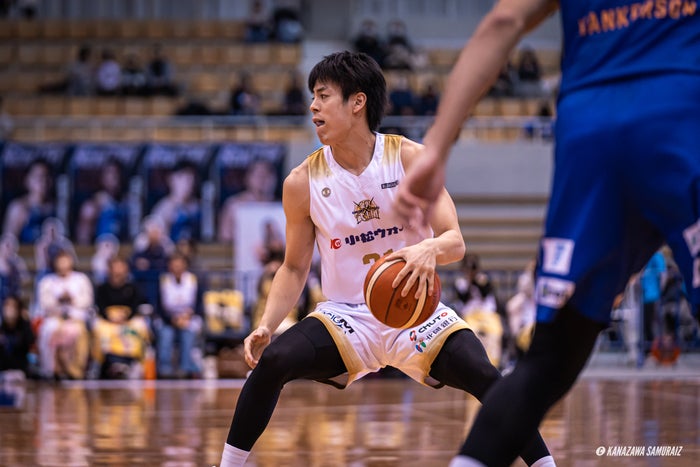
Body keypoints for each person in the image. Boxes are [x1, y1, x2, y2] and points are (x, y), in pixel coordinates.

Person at [393, 2, 700, 466]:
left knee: (548, 362)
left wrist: (436, 146)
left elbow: (503, 21)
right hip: (681, 108)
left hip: (591, 127)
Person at [218, 51, 553, 467]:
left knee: (485, 374)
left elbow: (455, 242)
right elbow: (294, 267)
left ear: (357, 102)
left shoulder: (411, 159)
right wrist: (267, 325)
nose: (313, 107)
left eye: (323, 96)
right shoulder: (301, 182)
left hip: (417, 314)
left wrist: (428, 248)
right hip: (347, 318)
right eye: (312, 97)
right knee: (273, 361)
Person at [35, 250, 93, 380]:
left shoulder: (81, 279)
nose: (63, 264)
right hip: (54, 316)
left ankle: (75, 371)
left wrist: (72, 299)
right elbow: (44, 303)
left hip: (75, 317)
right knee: (48, 330)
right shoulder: (47, 281)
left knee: (78, 332)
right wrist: (58, 299)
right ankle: (51, 370)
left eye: (65, 261)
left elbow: (87, 300)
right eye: (60, 261)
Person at [92, 256, 151, 379]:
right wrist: (109, 317)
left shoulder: (133, 288)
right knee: (99, 329)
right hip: (108, 319)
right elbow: (99, 306)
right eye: (115, 267)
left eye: (121, 267)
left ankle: (132, 363)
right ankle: (102, 363)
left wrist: (126, 316)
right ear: (109, 269)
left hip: (128, 319)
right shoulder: (102, 288)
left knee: (140, 327)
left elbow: (136, 305)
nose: (118, 270)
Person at [155, 253, 203, 379]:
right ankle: (164, 370)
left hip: (188, 318)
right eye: (174, 265)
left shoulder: (193, 280)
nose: (177, 268)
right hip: (168, 319)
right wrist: (172, 320)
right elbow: (158, 307)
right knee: (166, 335)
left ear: (185, 265)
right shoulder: (163, 280)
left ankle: (186, 368)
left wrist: (188, 316)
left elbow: (199, 305)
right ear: (169, 266)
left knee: (188, 333)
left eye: (179, 265)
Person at [218, 158, 280, 242]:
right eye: (258, 175)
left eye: (267, 175)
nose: (263, 179)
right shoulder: (234, 205)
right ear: (248, 178)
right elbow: (225, 236)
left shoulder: (282, 207)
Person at [75, 157, 129, 245]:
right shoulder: (94, 203)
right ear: (102, 177)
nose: (113, 177)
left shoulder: (127, 202)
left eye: (116, 173)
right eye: (109, 173)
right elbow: (83, 238)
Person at [2, 158, 56, 244]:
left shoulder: (57, 207)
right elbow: (7, 244)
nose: (43, 181)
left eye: (47, 176)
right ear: (27, 180)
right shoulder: (18, 208)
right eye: (39, 177)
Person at [149, 160, 201, 243]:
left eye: (191, 179)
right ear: (171, 179)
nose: (188, 184)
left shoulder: (199, 207)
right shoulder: (162, 208)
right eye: (183, 178)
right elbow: (155, 240)